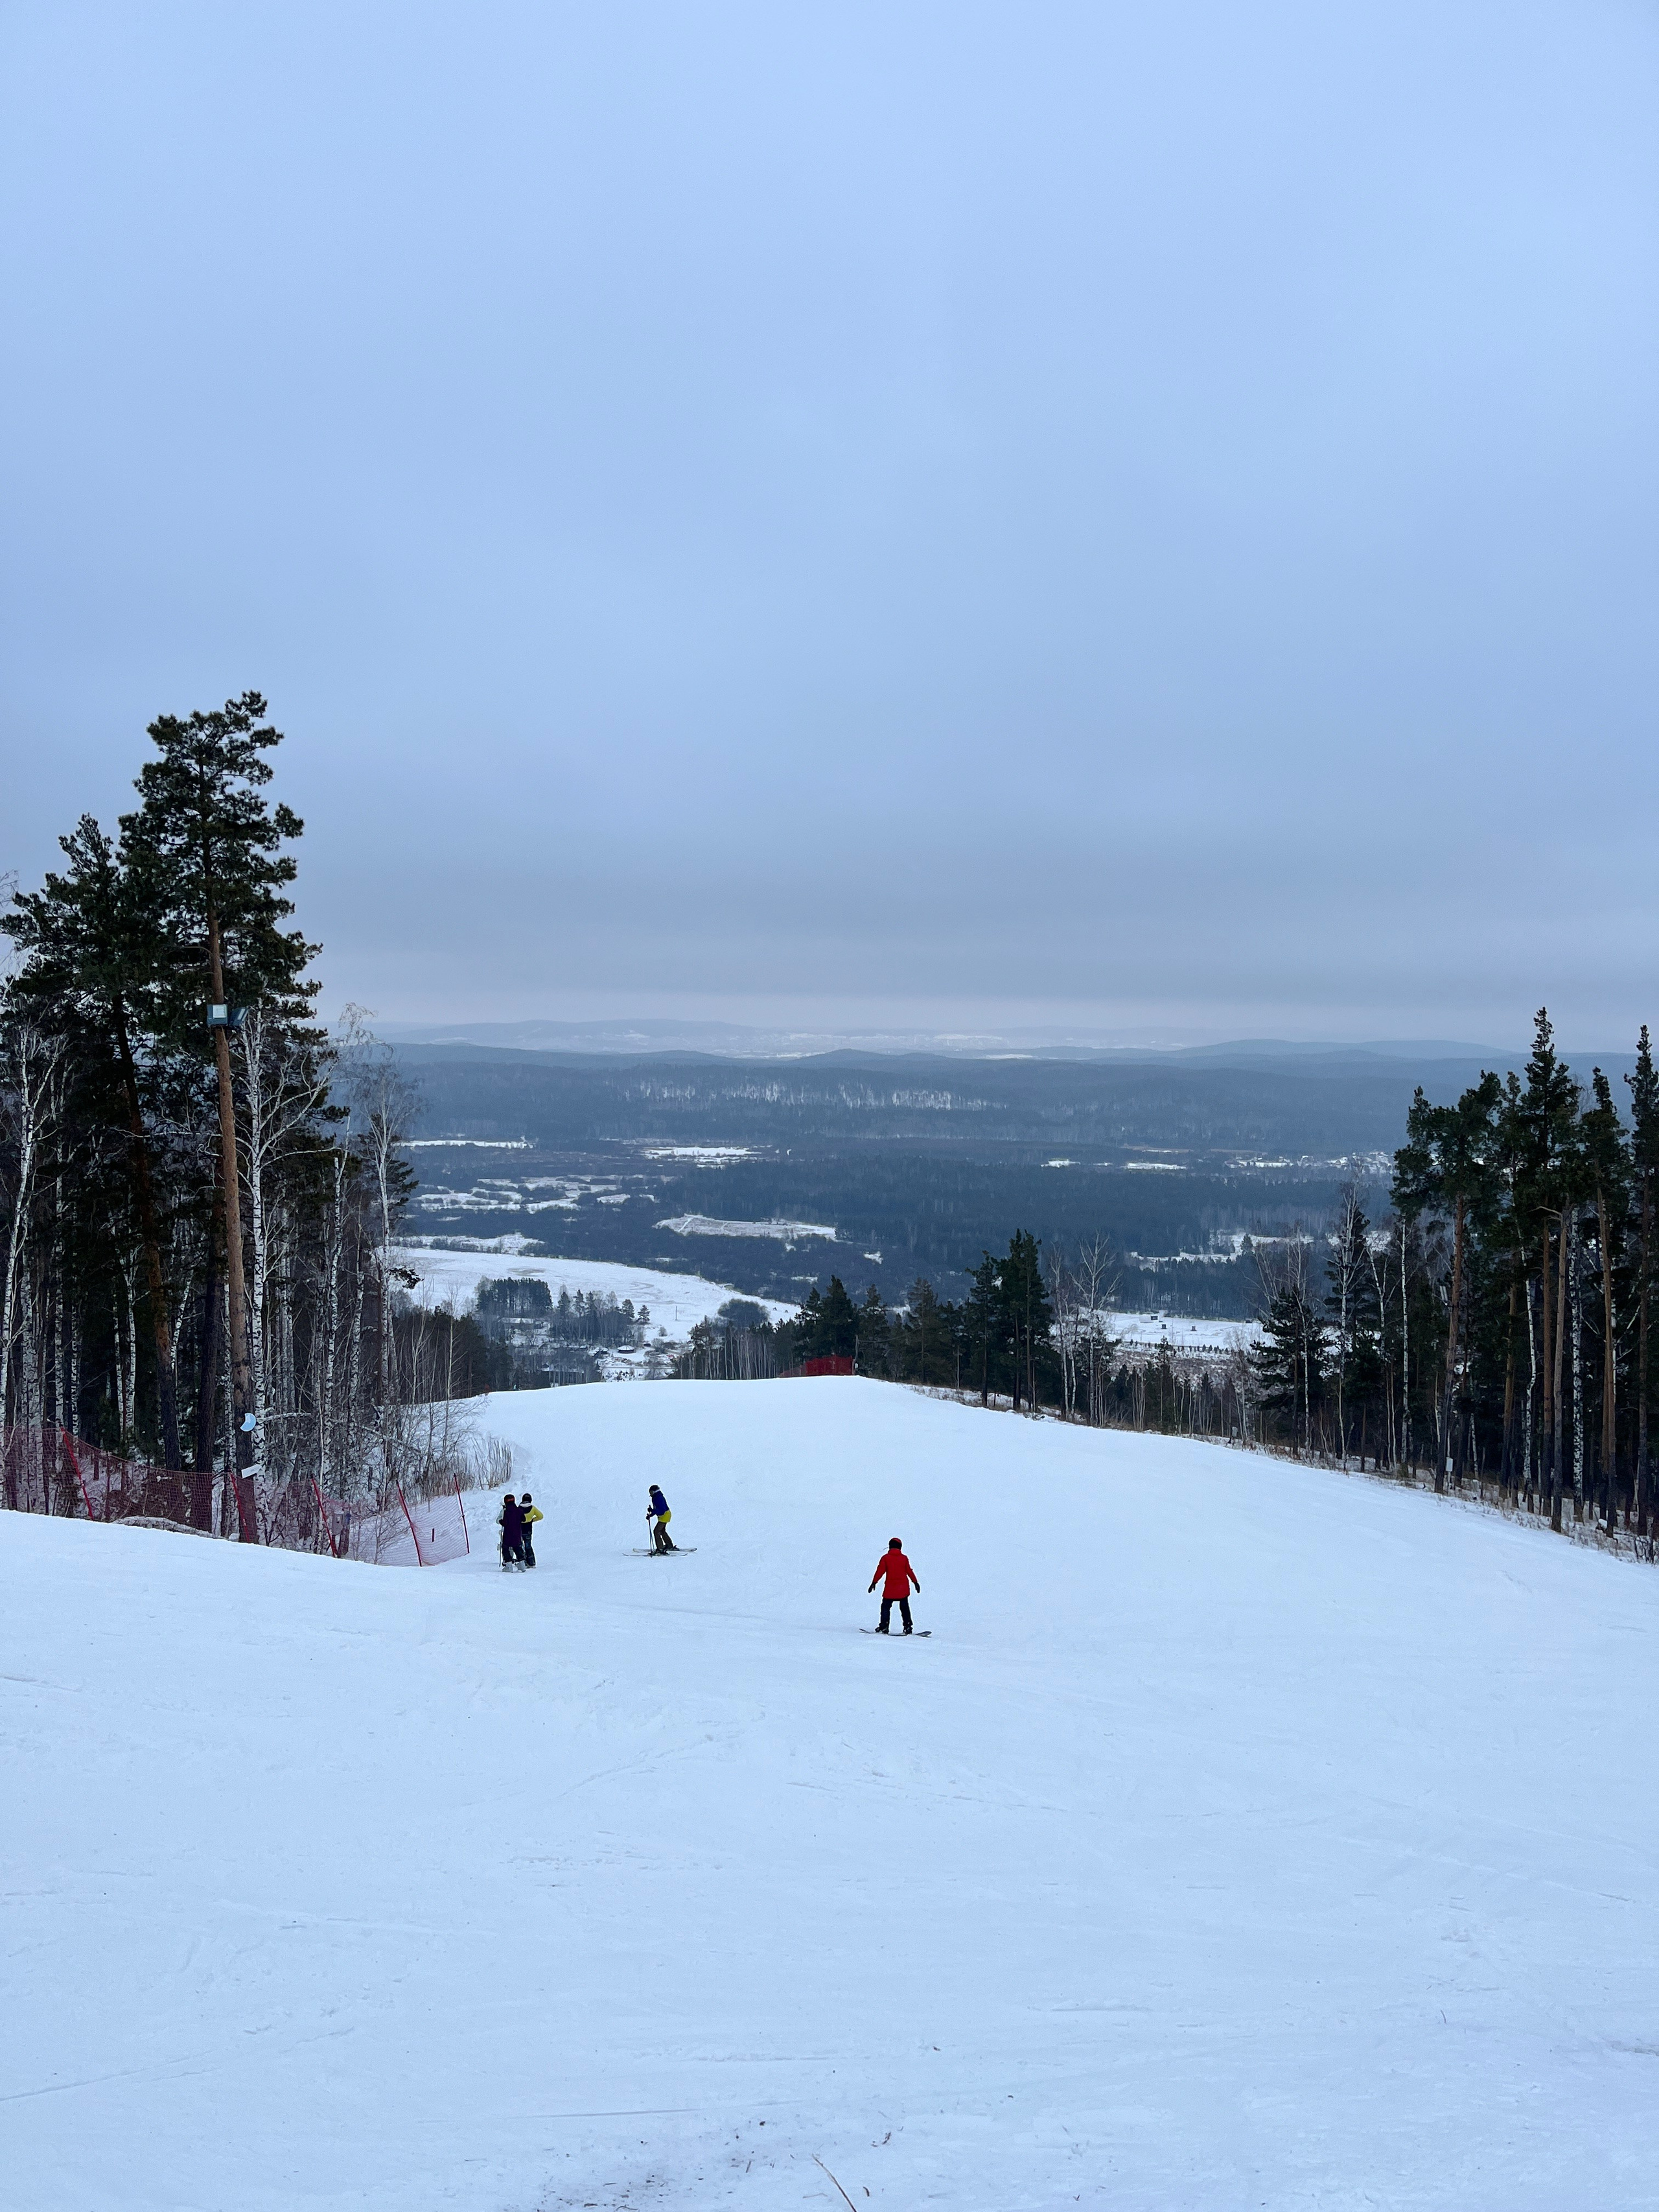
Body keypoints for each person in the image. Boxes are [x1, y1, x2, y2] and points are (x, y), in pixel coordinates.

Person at [868, 1538, 920, 1633]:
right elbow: (909, 1571)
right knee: (904, 1607)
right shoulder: (904, 1558)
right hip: (903, 1589)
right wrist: (915, 1582)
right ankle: (908, 1626)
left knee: (885, 1607)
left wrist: (874, 1582)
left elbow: (880, 1571)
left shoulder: (886, 1558)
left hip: (890, 1589)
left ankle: (884, 1626)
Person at [498, 1493, 524, 1570]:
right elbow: (524, 1519)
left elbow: (505, 1523)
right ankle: (522, 1565)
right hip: (517, 1533)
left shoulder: (507, 1511)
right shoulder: (519, 1510)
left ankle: (509, 1565)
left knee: (505, 1549)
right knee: (517, 1548)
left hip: (508, 1533)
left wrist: (501, 1521)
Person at [647, 1483, 676, 1552]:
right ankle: (669, 1545)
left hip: (665, 1515)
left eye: (651, 1492)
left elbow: (661, 1510)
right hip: (664, 1515)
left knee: (656, 1531)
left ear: (655, 1492)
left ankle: (660, 1548)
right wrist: (651, 1513)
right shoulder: (655, 1498)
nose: (650, 1494)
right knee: (662, 1531)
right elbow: (657, 1509)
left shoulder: (659, 1498)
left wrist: (653, 1511)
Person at [518, 1493, 542, 1568]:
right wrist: (532, 1520)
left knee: (520, 1546)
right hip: (528, 1529)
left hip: (520, 1529)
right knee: (528, 1546)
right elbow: (541, 1516)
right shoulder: (532, 1508)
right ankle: (532, 1562)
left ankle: (523, 1562)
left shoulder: (519, 1508)